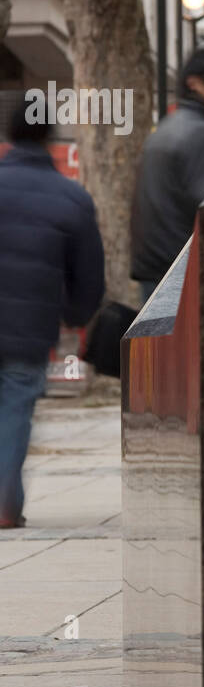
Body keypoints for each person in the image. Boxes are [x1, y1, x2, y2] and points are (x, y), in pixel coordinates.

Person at [0, 102, 104, 529]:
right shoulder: (72, 198)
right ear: (49, 136)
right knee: (14, 411)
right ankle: (4, 504)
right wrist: (75, 316)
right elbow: (89, 277)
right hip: (28, 330)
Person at [131, 43, 204, 304]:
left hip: (154, 274)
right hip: (180, 276)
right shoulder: (201, 132)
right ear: (195, 83)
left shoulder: (167, 128)